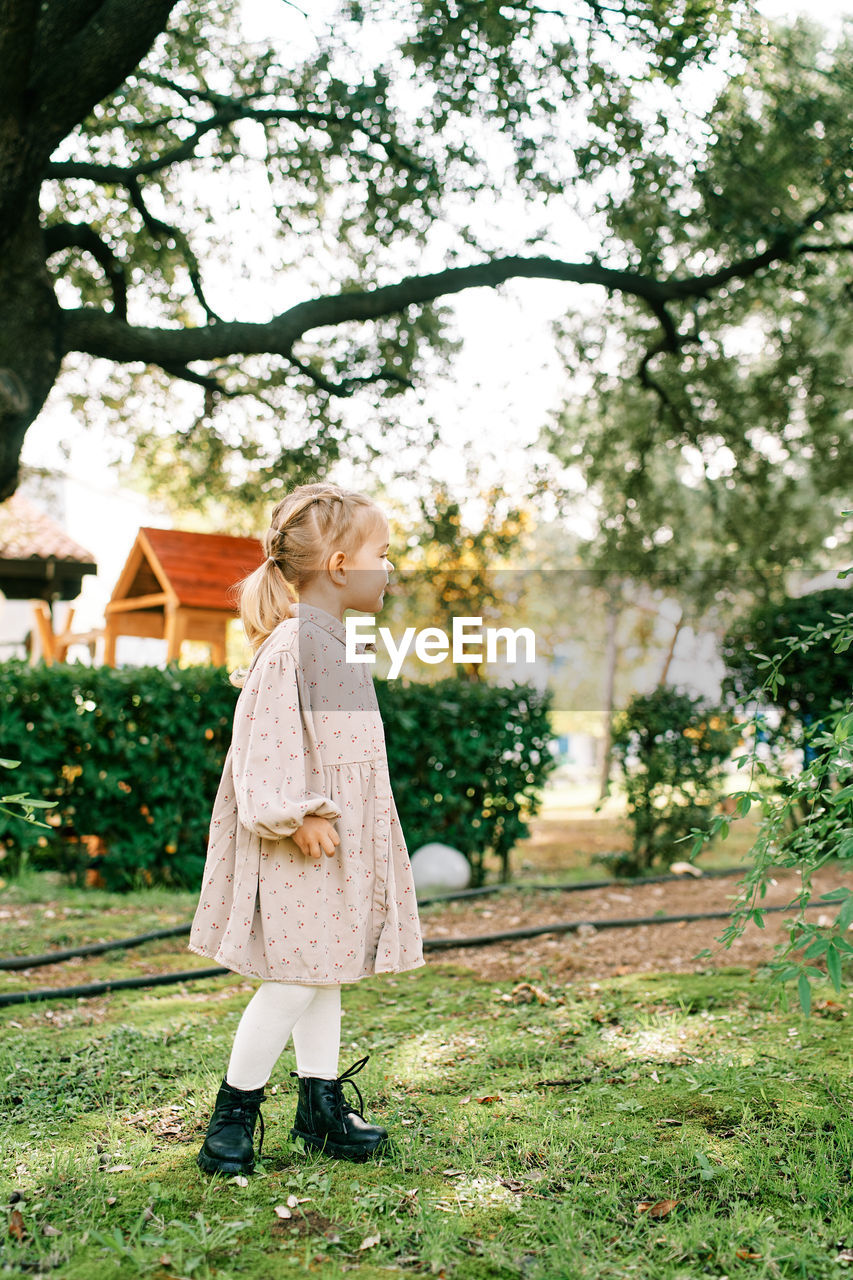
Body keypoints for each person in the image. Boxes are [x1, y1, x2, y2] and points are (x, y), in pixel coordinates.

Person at [189, 483, 424, 1174]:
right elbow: (264, 742)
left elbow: (342, 751)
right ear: (342, 566)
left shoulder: (333, 643)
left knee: (325, 971)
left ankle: (320, 1109)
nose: (390, 568)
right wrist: (290, 817)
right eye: (383, 555)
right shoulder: (295, 644)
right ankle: (232, 1116)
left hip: (335, 843)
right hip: (302, 844)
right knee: (293, 977)